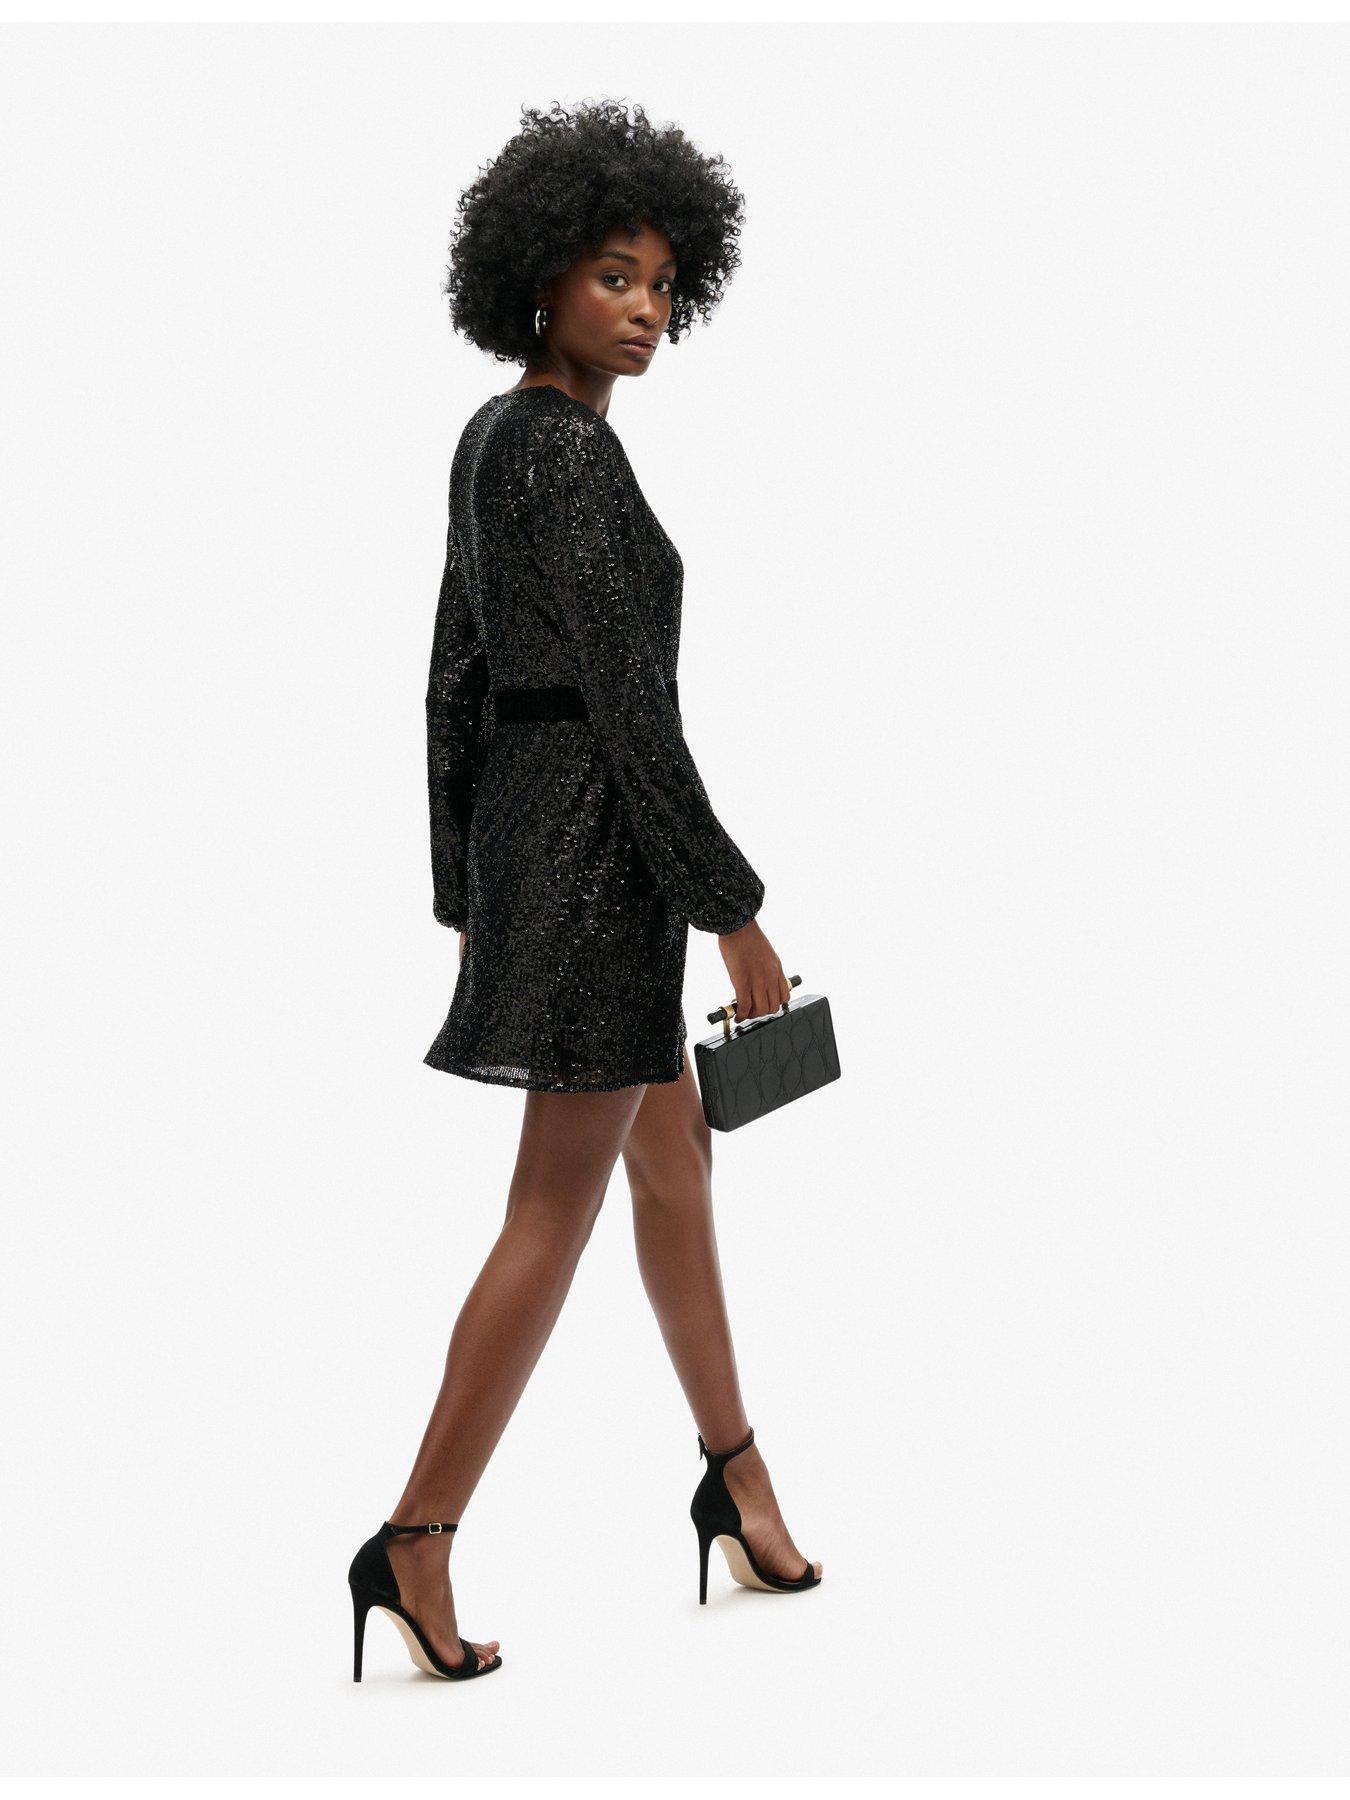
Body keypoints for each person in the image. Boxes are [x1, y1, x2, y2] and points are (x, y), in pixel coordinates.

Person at [348, 99, 821, 1684]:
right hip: (596, 855)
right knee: (551, 1211)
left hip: (540, 845)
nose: (646, 308)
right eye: (614, 276)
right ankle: (414, 1536)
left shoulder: (495, 437)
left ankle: (733, 1473)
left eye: (665, 284)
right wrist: (731, 907)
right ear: (538, 276)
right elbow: (629, 706)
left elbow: (450, 675)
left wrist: (461, 881)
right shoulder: (562, 452)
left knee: (671, 1166)